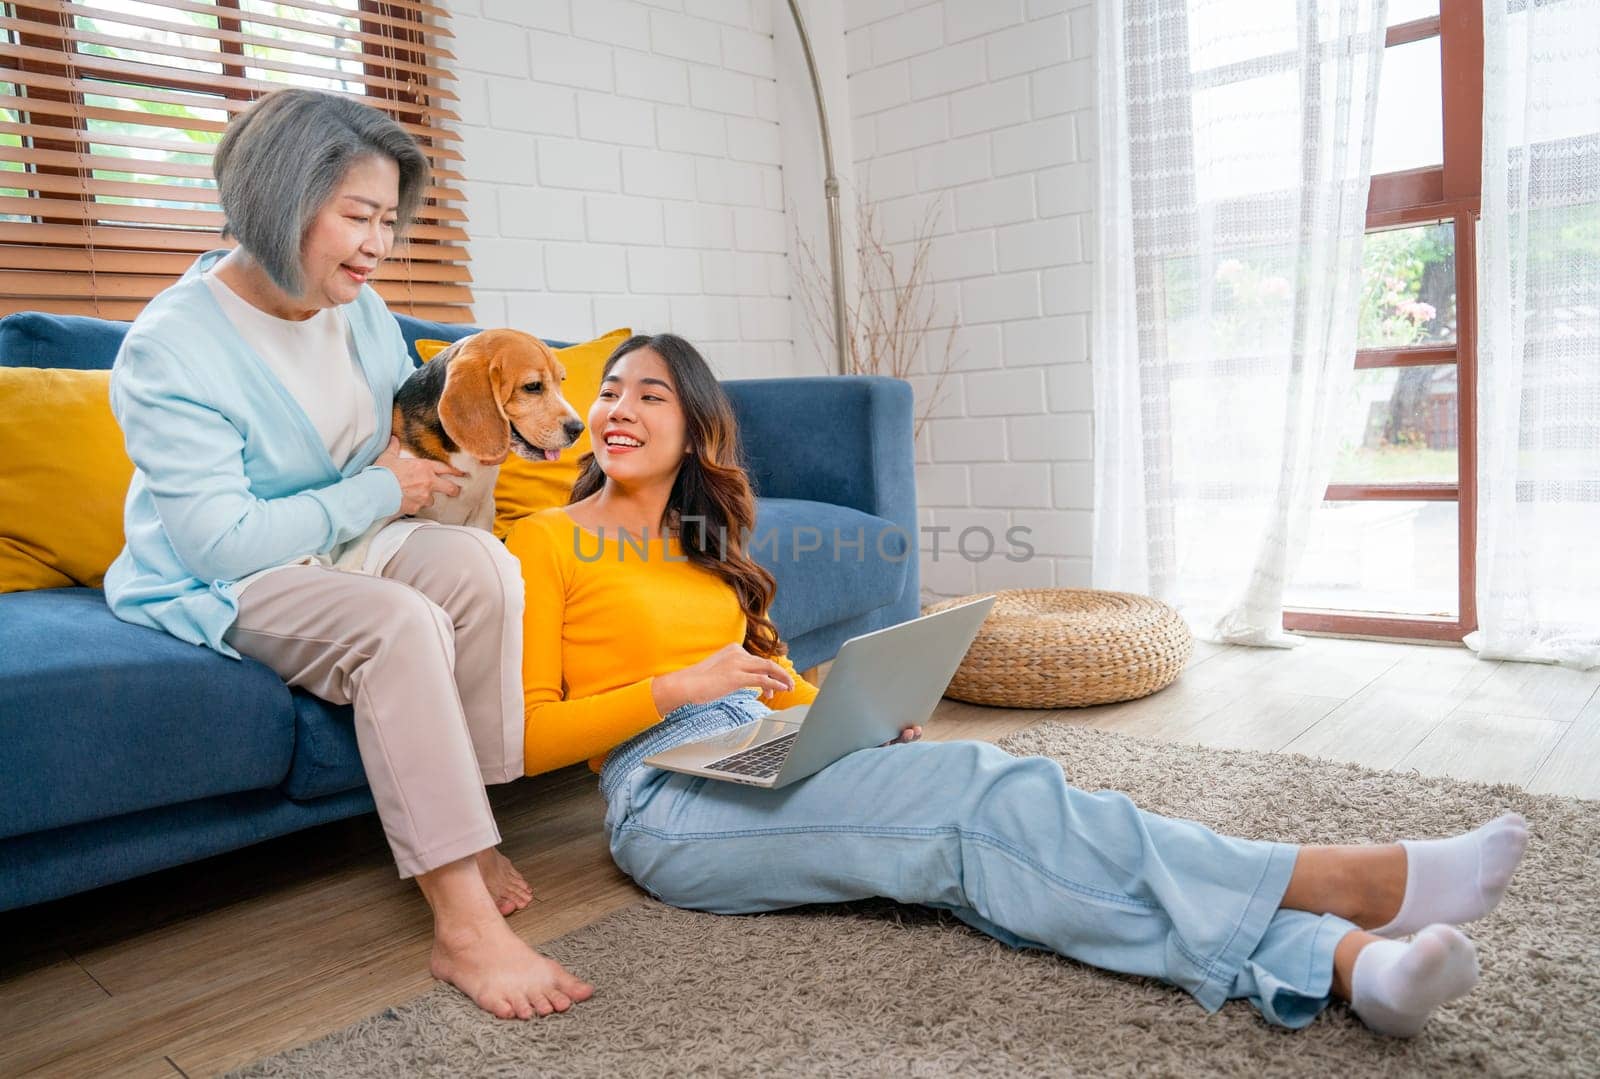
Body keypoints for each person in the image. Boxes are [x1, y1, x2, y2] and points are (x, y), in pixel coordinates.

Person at [506, 332, 1530, 1035]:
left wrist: (844, 718)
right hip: (663, 799)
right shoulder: (543, 540)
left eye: (651, 393)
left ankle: (1346, 963)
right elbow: (515, 739)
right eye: (608, 389)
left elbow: (769, 695)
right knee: (982, 797)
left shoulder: (708, 546)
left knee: (986, 839)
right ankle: (1327, 875)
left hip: (752, 752)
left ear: (695, 430)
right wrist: (675, 689)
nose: (617, 407)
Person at [103, 89, 592, 1020]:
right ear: (280, 201)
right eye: (358, 217)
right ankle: (461, 923)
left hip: (343, 542)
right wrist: (375, 491)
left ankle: (474, 826)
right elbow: (219, 539)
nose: (378, 244)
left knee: (487, 569)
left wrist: (409, 481)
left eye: (388, 221)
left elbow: (405, 439)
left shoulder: (361, 309)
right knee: (400, 622)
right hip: (231, 577)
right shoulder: (172, 347)